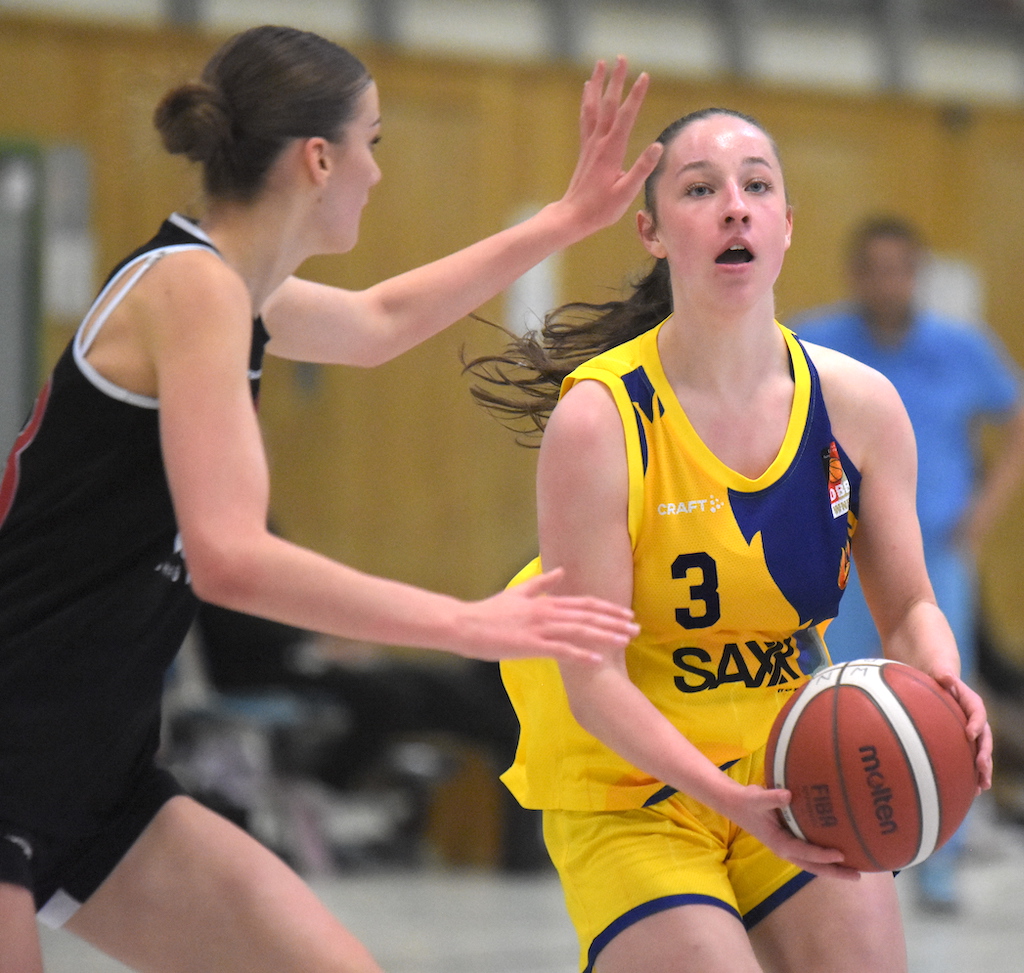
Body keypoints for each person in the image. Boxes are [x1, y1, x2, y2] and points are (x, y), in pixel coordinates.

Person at [0, 25, 661, 973]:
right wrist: (468, 623)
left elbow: (381, 321)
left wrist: (563, 221)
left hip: (95, 777)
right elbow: (232, 557)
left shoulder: (228, 291)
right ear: (320, 158)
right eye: (374, 144)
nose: (377, 174)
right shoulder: (191, 290)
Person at [465, 109, 992, 972]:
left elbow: (910, 607)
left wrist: (939, 681)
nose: (734, 207)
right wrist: (722, 796)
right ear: (653, 231)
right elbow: (590, 678)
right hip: (631, 785)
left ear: (787, 223)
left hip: (789, 761)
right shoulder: (601, 419)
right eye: (701, 189)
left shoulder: (858, 406)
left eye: (757, 185)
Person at [790, 216, 1024, 912]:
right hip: (840, 556)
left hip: (935, 555)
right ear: (856, 273)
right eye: (875, 268)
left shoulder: (961, 348)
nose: (887, 281)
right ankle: (828, 850)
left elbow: (1015, 419)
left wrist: (983, 510)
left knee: (940, 701)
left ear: (916, 274)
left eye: (901, 268)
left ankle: (941, 865)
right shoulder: (815, 339)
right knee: (827, 700)